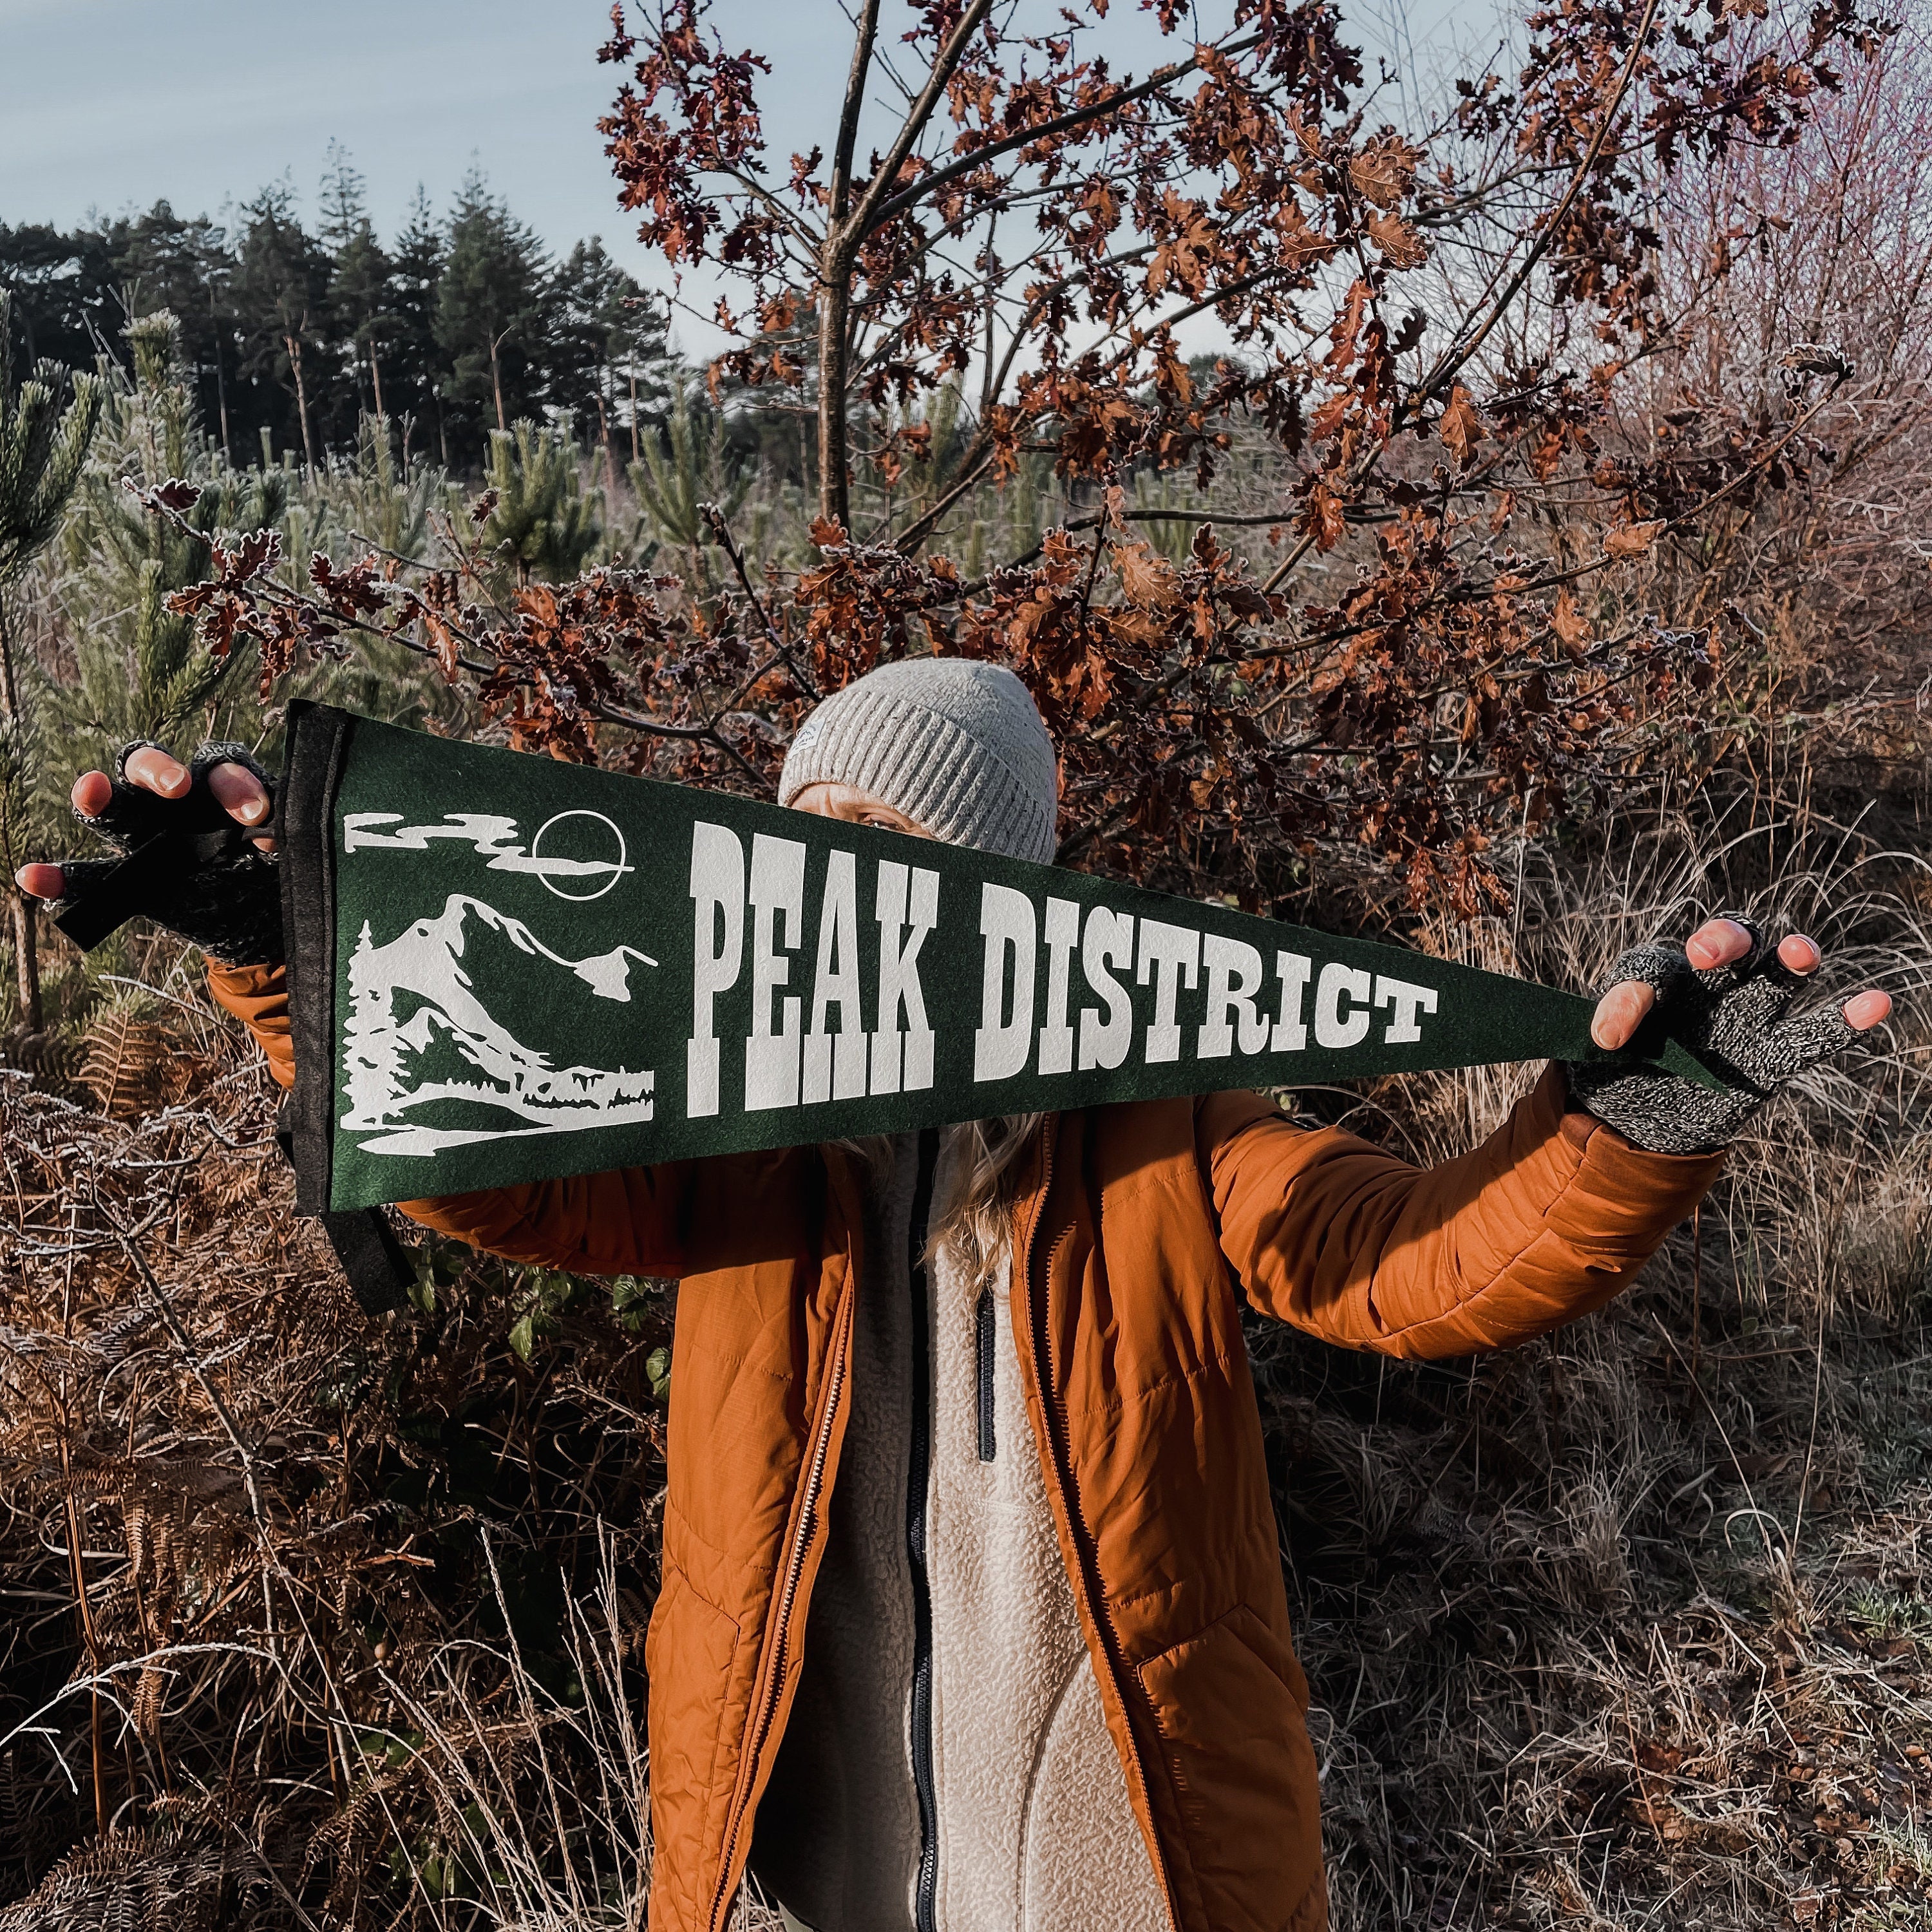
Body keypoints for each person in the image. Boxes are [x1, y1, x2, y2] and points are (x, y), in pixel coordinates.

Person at [19, 660, 1892, 1932]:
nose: (849, 893)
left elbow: (1403, 1266)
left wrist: (1625, 1125)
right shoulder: (739, 1130)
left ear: (1008, 900)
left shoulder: (1164, 1112)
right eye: (811, 848)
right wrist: (294, 958)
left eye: (895, 857)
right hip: (807, 1836)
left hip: (1112, 1850)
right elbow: (496, 1163)